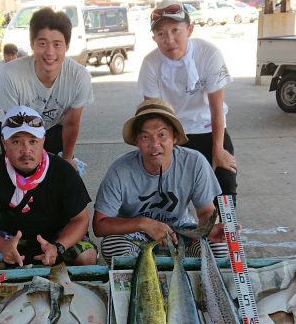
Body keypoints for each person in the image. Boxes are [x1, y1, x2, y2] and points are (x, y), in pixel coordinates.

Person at [93, 98, 226, 265]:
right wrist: (143, 223)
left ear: (175, 137)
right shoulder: (120, 170)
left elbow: (206, 211)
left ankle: (187, 275)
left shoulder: (195, 162)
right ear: (136, 141)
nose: (154, 144)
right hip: (136, 235)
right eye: (145, 137)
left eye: (162, 134)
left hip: (181, 233)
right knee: (112, 245)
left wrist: (209, 229)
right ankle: (144, 280)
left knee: (220, 247)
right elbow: (100, 225)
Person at [0, 105, 98, 270]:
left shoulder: (63, 171)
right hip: (10, 238)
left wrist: (58, 246)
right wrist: (2, 245)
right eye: (16, 141)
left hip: (57, 237)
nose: (26, 150)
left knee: (87, 257)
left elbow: (81, 220)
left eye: (33, 141)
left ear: (43, 141)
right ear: (5, 143)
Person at [137, 0, 237, 204]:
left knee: (224, 184)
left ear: (190, 29)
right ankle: (176, 232)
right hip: (173, 134)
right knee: (169, 192)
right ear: (154, 37)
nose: (169, 39)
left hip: (209, 129)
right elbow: (153, 116)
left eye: (175, 30)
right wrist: (159, 150)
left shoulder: (209, 54)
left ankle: (228, 233)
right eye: (161, 34)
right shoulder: (150, 63)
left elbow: (216, 110)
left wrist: (218, 151)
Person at [0, 7, 93, 167]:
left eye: (57, 44)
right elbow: (16, 131)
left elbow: (71, 123)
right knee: (21, 176)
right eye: (42, 43)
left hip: (54, 127)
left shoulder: (80, 77)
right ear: (32, 44)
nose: (49, 52)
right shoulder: (9, 74)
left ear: (66, 46)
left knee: (61, 177)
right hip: (16, 128)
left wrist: (67, 159)